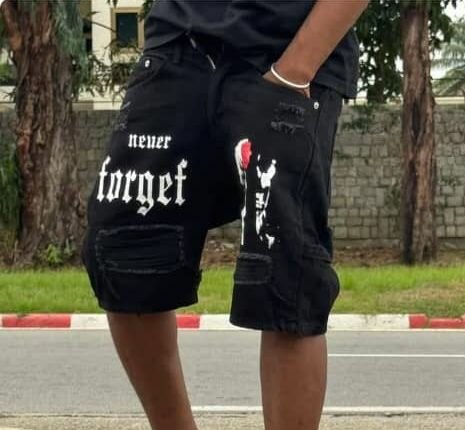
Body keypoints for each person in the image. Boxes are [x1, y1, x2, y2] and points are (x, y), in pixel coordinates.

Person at [82, 1, 369, 429]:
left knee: (287, 269)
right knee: (121, 247)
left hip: (285, 49)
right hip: (178, 42)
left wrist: (296, 68)